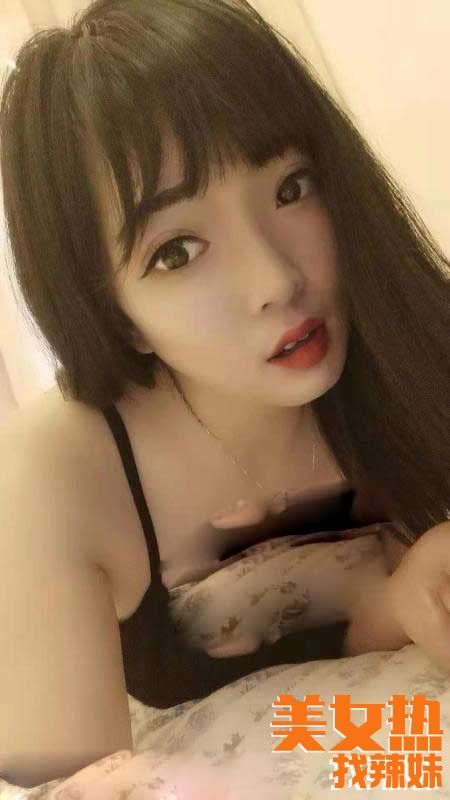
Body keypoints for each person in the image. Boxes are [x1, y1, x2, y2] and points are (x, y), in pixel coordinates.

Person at [0, 0, 448, 787]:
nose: (278, 280)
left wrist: (398, 602)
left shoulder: (405, 338)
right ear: (111, 310)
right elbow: (62, 781)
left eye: (291, 188)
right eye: (177, 251)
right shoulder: (56, 471)